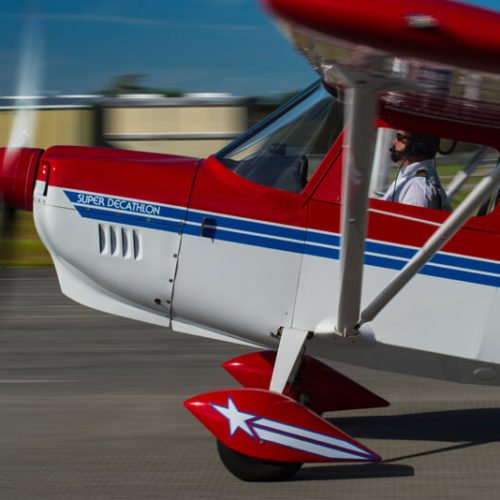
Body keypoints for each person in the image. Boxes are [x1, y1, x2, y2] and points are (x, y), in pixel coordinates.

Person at [383, 130, 450, 210]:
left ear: (418, 146)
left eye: (400, 138)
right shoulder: (409, 178)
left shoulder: (415, 190)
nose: (394, 142)